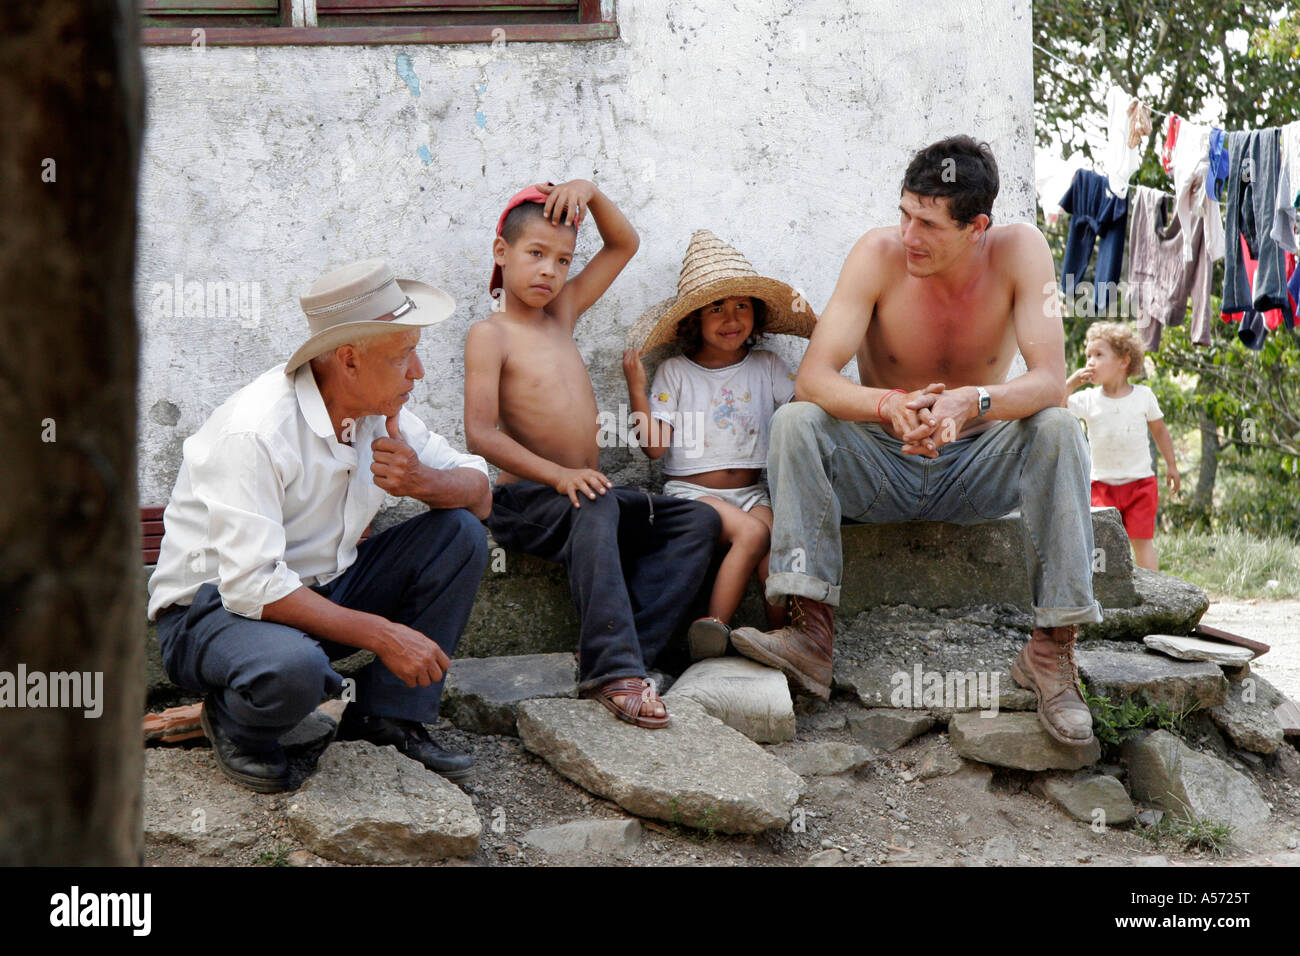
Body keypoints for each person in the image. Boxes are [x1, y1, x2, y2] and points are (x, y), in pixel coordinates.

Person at [729, 135, 1103, 747]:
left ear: (976, 227)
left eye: (927, 222)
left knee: (1060, 427)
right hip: (884, 465)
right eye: (904, 212)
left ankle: (1051, 653)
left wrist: (973, 399)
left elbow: (1050, 382)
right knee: (796, 419)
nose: (908, 234)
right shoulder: (876, 255)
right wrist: (887, 405)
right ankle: (810, 634)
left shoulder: (1022, 252)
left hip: (976, 469)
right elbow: (814, 377)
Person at [148, 259, 492, 793]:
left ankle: (386, 716)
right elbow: (253, 585)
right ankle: (236, 725)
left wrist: (423, 480)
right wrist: (385, 635)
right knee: (295, 670)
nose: (418, 372)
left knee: (460, 535)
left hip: (317, 592)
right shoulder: (258, 431)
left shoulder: (377, 409)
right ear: (350, 359)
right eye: (404, 355)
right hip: (213, 612)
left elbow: (479, 489)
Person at [465, 181, 721, 729]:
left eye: (561, 260)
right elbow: (480, 435)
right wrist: (558, 476)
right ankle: (614, 675)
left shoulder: (562, 314)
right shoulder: (490, 336)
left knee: (697, 521)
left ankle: (627, 655)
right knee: (596, 503)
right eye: (535, 254)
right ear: (500, 253)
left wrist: (593, 192)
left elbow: (622, 245)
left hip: (586, 496)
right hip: (528, 499)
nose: (549, 272)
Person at [621, 229, 815, 659]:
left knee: (774, 536)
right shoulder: (676, 372)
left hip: (751, 491)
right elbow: (654, 449)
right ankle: (712, 629)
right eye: (716, 309)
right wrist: (637, 390)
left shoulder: (767, 365)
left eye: (742, 306)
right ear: (693, 321)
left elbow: (804, 404)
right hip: (693, 493)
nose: (732, 319)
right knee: (750, 534)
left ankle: (782, 638)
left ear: (757, 313)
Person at [1065, 321, 1180, 570]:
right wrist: (1072, 383)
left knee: (1142, 542)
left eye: (1098, 355)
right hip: (1101, 486)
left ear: (1123, 361)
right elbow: (1055, 403)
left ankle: (1154, 593)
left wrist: (1171, 465)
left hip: (1140, 484)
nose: (1090, 362)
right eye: (1088, 356)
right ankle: (1104, 596)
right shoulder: (1087, 399)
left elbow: (1159, 430)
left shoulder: (1143, 397)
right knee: (1101, 544)